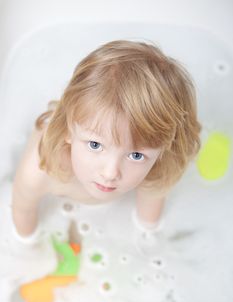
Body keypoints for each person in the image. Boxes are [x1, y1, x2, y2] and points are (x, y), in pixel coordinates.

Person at [11, 39, 201, 243]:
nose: (110, 173)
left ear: (165, 148)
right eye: (95, 145)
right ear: (67, 129)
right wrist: (28, 247)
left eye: (135, 155)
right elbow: (23, 209)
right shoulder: (40, 170)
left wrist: (149, 237)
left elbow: (149, 218)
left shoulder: (159, 166)